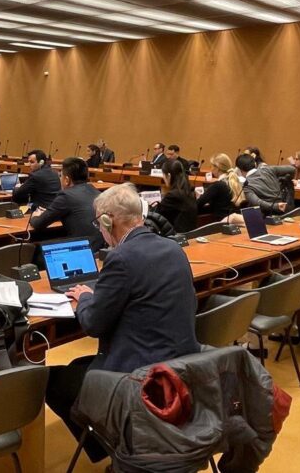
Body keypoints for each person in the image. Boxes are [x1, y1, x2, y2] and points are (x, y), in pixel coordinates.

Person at [46, 183, 199, 464]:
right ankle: (122, 442)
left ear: (107, 221)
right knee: (78, 365)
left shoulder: (120, 258)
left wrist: (86, 297)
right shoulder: (173, 248)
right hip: (179, 366)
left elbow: (93, 324)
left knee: (52, 380)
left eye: (98, 224)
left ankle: (116, 446)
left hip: (138, 376)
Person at [30, 157, 103, 250]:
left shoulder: (66, 195)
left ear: (67, 180)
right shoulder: (96, 192)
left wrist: (35, 216)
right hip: (101, 247)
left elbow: (38, 224)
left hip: (83, 248)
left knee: (34, 247)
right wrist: (50, 213)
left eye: (61, 176)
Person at [196, 153, 245, 220]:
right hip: (233, 221)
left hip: (221, 222)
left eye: (211, 166)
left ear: (217, 168)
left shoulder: (218, 185)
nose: (211, 169)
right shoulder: (234, 181)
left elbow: (198, 203)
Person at [155, 158, 198, 233]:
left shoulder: (173, 195)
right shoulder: (189, 191)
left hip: (176, 235)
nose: (163, 178)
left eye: (163, 175)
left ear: (169, 176)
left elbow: (157, 215)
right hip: (189, 233)